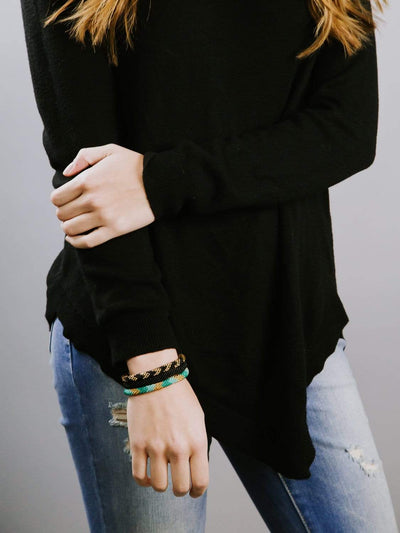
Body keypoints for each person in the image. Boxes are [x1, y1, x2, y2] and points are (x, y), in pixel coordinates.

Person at [20, 0, 398, 531]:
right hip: (133, 333)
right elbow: (89, 179)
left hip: (286, 324)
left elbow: (346, 131)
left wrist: (159, 181)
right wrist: (151, 371)